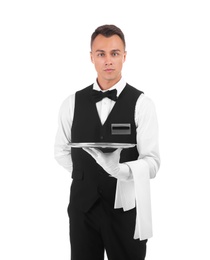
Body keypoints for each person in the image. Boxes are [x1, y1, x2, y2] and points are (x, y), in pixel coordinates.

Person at [54, 24, 160, 260]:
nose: (108, 60)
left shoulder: (142, 104)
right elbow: (60, 151)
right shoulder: (71, 103)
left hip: (125, 211)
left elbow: (152, 163)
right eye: (101, 54)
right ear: (92, 57)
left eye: (114, 53)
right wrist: (89, 173)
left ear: (124, 56)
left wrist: (120, 171)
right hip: (83, 210)